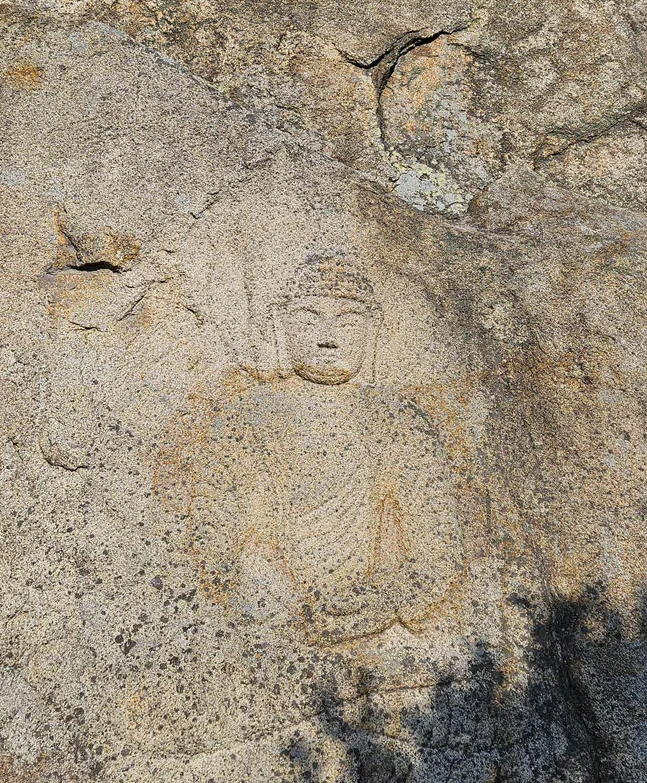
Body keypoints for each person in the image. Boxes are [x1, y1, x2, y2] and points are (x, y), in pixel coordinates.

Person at [187, 253, 465, 646]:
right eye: (308, 318)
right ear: (281, 326)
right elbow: (213, 529)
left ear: (373, 332)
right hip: (266, 613)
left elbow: (438, 553)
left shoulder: (397, 420)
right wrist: (247, 584)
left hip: (375, 619)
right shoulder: (247, 417)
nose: (328, 336)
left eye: (348, 322)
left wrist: (388, 599)